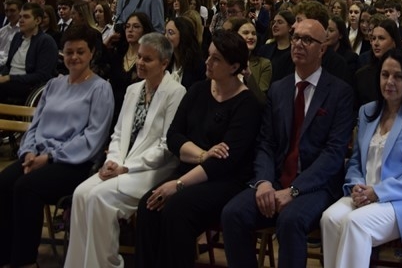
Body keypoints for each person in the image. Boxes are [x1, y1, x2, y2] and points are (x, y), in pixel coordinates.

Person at [220, 15, 355, 268]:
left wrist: (294, 190)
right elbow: (266, 143)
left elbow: (333, 154)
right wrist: (263, 182)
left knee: (290, 220)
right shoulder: (279, 89)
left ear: (322, 49)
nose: (298, 44)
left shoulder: (340, 92)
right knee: (233, 214)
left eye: (307, 40)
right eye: (296, 38)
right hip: (276, 179)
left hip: (316, 186)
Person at [134, 30, 261, 268]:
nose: (208, 62)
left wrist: (178, 184)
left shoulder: (247, 105)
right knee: (148, 205)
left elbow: (224, 162)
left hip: (225, 181)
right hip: (192, 170)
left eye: (216, 59)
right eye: (208, 55)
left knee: (176, 209)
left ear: (234, 67)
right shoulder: (198, 90)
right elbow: (174, 137)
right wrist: (203, 154)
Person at [65, 33, 186, 268]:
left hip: (153, 170)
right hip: (121, 164)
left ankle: (106, 264)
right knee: (80, 194)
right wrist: (112, 161)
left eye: (147, 59)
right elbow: (118, 133)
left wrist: (126, 167)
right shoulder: (133, 89)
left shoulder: (176, 92)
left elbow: (166, 146)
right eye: (139, 57)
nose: (140, 62)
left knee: (99, 198)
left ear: (164, 63)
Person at [0, 25, 114, 268]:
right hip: (37, 155)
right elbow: (35, 126)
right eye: (69, 52)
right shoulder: (53, 85)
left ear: (92, 53)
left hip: (73, 162)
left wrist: (50, 157)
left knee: (25, 188)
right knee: (4, 182)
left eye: (80, 52)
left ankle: (24, 261)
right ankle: (4, 256)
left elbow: (93, 138)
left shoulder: (100, 88)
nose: (74, 57)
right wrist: (28, 152)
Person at [321, 47, 402, 268]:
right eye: (385, 75)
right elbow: (356, 160)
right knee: (330, 218)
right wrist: (356, 186)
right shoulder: (367, 111)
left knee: (355, 223)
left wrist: (378, 192)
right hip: (365, 192)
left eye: (398, 76)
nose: (389, 82)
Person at [0, 2, 59, 103]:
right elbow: (8, 65)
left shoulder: (46, 41)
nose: (21, 20)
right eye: (20, 17)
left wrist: (9, 78)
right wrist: (2, 75)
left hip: (28, 85)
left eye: (26, 17)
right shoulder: (17, 37)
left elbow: (42, 75)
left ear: (37, 20)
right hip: (10, 80)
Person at [355, 19, 402, 108]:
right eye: (373, 38)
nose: (375, 43)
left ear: (394, 42)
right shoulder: (361, 75)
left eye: (381, 38)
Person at [225, 17, 273, 105]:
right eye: (245, 33)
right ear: (235, 35)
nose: (251, 37)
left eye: (254, 33)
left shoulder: (264, 64)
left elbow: (262, 101)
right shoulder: (224, 61)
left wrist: (248, 76)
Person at [164, 17, 206, 91]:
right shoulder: (165, 61)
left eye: (170, 33)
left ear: (183, 35)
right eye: (165, 32)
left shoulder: (198, 65)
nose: (165, 36)